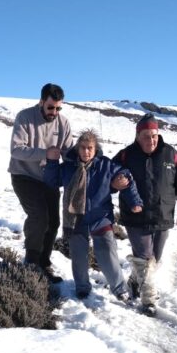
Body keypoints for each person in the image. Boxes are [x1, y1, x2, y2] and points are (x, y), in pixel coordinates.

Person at [44, 129, 143, 300]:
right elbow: (51, 181)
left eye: (90, 148)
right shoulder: (68, 166)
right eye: (82, 147)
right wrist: (52, 162)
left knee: (107, 252)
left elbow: (126, 177)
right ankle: (82, 287)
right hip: (75, 217)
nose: (86, 151)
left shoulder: (105, 165)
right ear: (77, 149)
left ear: (95, 149)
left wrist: (135, 201)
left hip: (100, 216)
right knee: (79, 255)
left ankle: (120, 289)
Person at [113, 113, 177, 315]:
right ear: (138, 136)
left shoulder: (172, 155)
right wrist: (114, 184)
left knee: (154, 259)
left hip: (162, 216)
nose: (151, 140)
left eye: (154, 135)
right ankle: (148, 300)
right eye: (146, 136)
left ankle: (134, 281)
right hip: (134, 217)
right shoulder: (126, 155)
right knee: (144, 258)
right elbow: (109, 176)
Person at [8, 83, 73, 282]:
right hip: (24, 175)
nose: (54, 112)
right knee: (39, 216)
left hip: (49, 178)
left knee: (53, 222)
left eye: (58, 108)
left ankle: (44, 262)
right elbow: (16, 149)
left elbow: (68, 152)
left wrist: (88, 157)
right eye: (50, 107)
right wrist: (45, 153)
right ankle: (31, 262)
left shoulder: (63, 123)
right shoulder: (25, 117)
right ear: (41, 102)